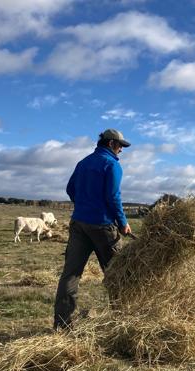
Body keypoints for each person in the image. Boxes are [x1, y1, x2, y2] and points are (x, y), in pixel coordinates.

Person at [54, 128, 132, 330]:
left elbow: (70, 189)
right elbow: (113, 197)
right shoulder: (111, 165)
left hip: (79, 223)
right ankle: (122, 321)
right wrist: (122, 222)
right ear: (110, 144)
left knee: (71, 274)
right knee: (117, 273)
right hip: (103, 226)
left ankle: (62, 324)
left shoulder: (84, 162)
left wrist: (83, 204)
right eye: (120, 146)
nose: (121, 151)